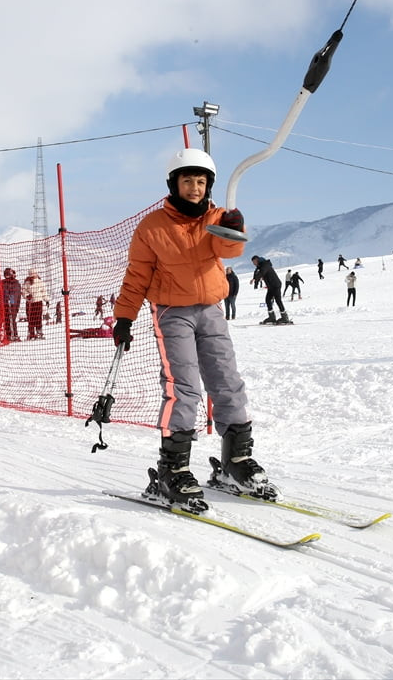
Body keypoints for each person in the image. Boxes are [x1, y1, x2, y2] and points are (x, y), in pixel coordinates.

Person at [111, 148, 273, 512]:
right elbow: (137, 275)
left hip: (211, 310)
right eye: (188, 181)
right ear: (174, 184)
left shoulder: (217, 216)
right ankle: (173, 469)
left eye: (201, 181)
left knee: (227, 381)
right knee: (183, 387)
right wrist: (124, 317)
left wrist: (234, 226)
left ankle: (236, 463)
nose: (195, 188)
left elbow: (228, 250)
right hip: (171, 311)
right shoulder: (152, 227)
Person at [250, 254, 290, 324]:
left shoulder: (265, 265)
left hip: (275, 285)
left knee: (278, 300)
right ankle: (272, 317)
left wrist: (255, 279)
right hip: (271, 287)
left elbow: (262, 272)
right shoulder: (260, 266)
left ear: (257, 260)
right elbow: (256, 272)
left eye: (254, 262)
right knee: (268, 300)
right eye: (252, 263)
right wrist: (255, 279)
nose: (253, 264)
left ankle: (284, 317)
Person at [24, 270, 48, 339]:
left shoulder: (40, 282)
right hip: (30, 302)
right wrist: (27, 295)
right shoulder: (27, 282)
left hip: (38, 302)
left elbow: (44, 292)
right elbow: (23, 291)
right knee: (31, 318)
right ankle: (31, 333)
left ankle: (39, 332)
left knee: (38, 317)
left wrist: (46, 300)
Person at [1, 268, 22, 341]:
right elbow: (1, 292)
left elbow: (17, 294)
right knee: (7, 319)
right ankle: (8, 334)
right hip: (5, 303)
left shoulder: (15, 283)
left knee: (12, 319)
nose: (7, 276)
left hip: (13, 304)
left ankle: (14, 334)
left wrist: (12, 301)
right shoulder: (3, 282)